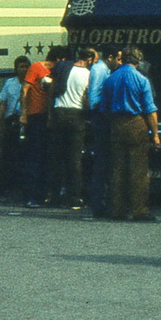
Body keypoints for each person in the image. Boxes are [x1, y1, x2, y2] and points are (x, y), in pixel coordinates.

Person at [100, 45, 160, 221]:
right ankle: (139, 210)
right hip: (136, 123)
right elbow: (150, 110)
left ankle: (117, 209)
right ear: (138, 59)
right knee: (138, 170)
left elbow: (104, 108)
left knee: (117, 169)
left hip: (116, 124)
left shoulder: (110, 79)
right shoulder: (141, 79)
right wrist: (155, 134)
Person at [48, 48, 92, 208]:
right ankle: (74, 198)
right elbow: (87, 98)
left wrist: (50, 115)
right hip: (76, 115)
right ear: (89, 59)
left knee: (57, 158)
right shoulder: (88, 75)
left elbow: (52, 90)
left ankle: (54, 196)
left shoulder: (65, 68)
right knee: (74, 160)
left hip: (59, 112)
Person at [20, 47, 58, 207]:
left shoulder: (55, 71)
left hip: (46, 116)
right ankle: (31, 195)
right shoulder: (36, 67)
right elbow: (25, 89)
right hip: (35, 115)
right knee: (34, 156)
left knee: (45, 157)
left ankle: (43, 194)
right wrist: (24, 113)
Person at [85, 46, 117, 218]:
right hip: (100, 116)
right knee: (102, 161)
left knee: (103, 161)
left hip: (100, 115)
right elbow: (95, 97)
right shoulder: (100, 70)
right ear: (110, 57)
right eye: (117, 59)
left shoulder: (102, 69)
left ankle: (101, 201)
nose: (119, 63)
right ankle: (98, 203)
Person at [0, 56, 30, 197]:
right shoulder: (10, 83)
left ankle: (23, 187)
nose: (24, 70)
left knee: (25, 155)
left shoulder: (31, 83)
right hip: (11, 119)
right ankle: (1, 187)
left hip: (25, 120)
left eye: (26, 67)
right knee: (6, 155)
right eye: (21, 67)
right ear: (16, 68)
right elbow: (3, 104)